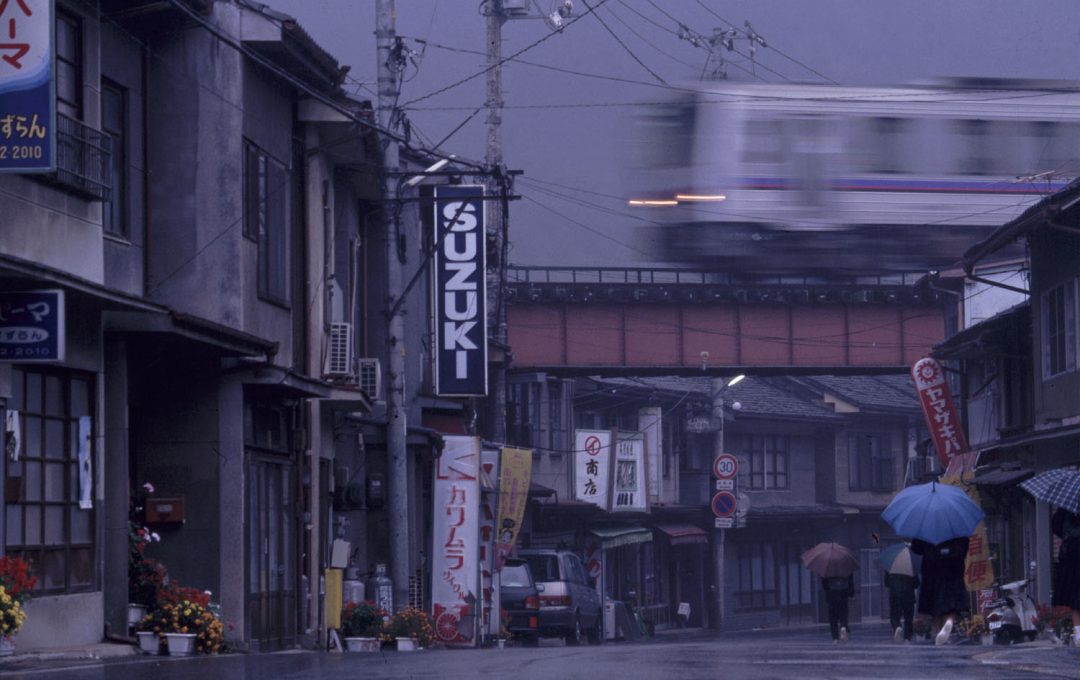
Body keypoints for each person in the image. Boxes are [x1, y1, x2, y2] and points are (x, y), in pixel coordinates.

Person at [911, 536, 969, 644]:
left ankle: (938, 632)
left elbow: (916, 549)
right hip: (954, 570)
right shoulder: (956, 528)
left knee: (934, 605)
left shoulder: (925, 529)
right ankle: (949, 621)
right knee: (952, 604)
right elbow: (965, 548)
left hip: (932, 570)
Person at [1052, 508, 1080, 646]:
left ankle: (1079, 635)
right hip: (1072, 557)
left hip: (1070, 558)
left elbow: (1055, 525)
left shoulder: (1067, 506)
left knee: (1074, 599)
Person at [884, 567, 920, 642]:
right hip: (908, 596)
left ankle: (897, 626)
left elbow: (886, 582)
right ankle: (907, 637)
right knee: (908, 617)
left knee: (894, 616)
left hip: (895, 595)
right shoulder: (911, 567)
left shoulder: (890, 567)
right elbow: (916, 583)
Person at [822, 573, 855, 643]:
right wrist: (851, 593)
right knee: (843, 613)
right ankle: (843, 626)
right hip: (843, 592)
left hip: (831, 593)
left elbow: (824, 582)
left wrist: (827, 590)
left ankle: (835, 638)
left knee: (833, 617)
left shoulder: (828, 568)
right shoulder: (846, 565)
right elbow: (850, 580)